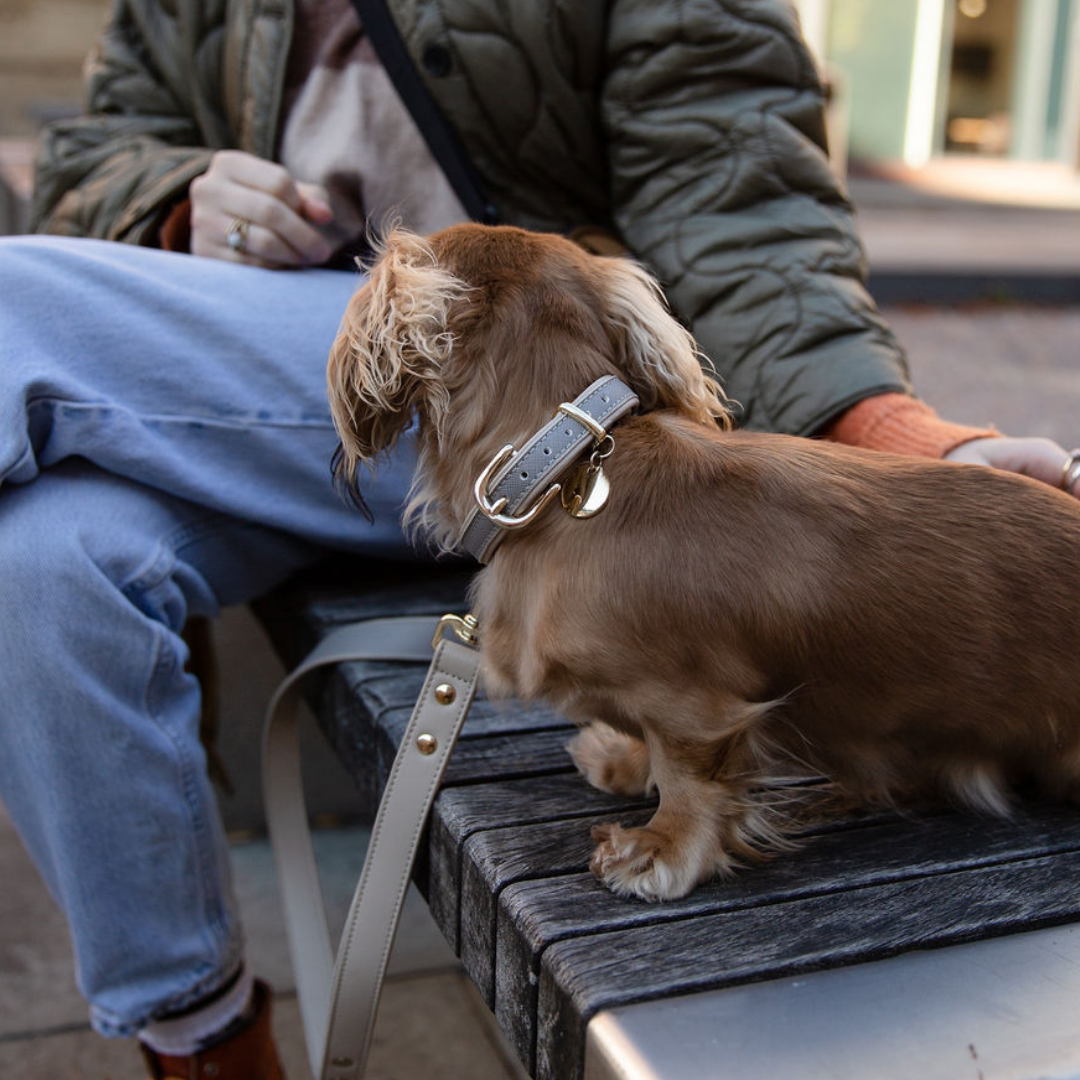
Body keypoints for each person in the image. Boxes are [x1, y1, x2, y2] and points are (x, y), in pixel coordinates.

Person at [3, 0, 1077, 1077]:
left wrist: (893, 435)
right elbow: (92, 156)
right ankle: (204, 1039)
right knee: (39, 567)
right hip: (209, 363)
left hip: (499, 387)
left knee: (15, 308)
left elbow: (738, 195)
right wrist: (173, 208)